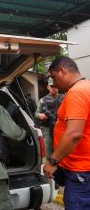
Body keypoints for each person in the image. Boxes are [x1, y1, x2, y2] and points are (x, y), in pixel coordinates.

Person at [43, 56, 90, 209]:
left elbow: (74, 134)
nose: (53, 83)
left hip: (80, 171)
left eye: (54, 77)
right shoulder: (87, 87)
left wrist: (52, 162)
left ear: (63, 71)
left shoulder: (77, 92)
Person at [35, 77, 64, 159]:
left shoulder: (65, 98)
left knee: (63, 151)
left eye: (55, 86)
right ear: (48, 87)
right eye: (52, 86)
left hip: (62, 128)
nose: (54, 88)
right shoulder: (42, 100)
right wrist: (40, 116)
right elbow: (36, 113)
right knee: (49, 153)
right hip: (47, 129)